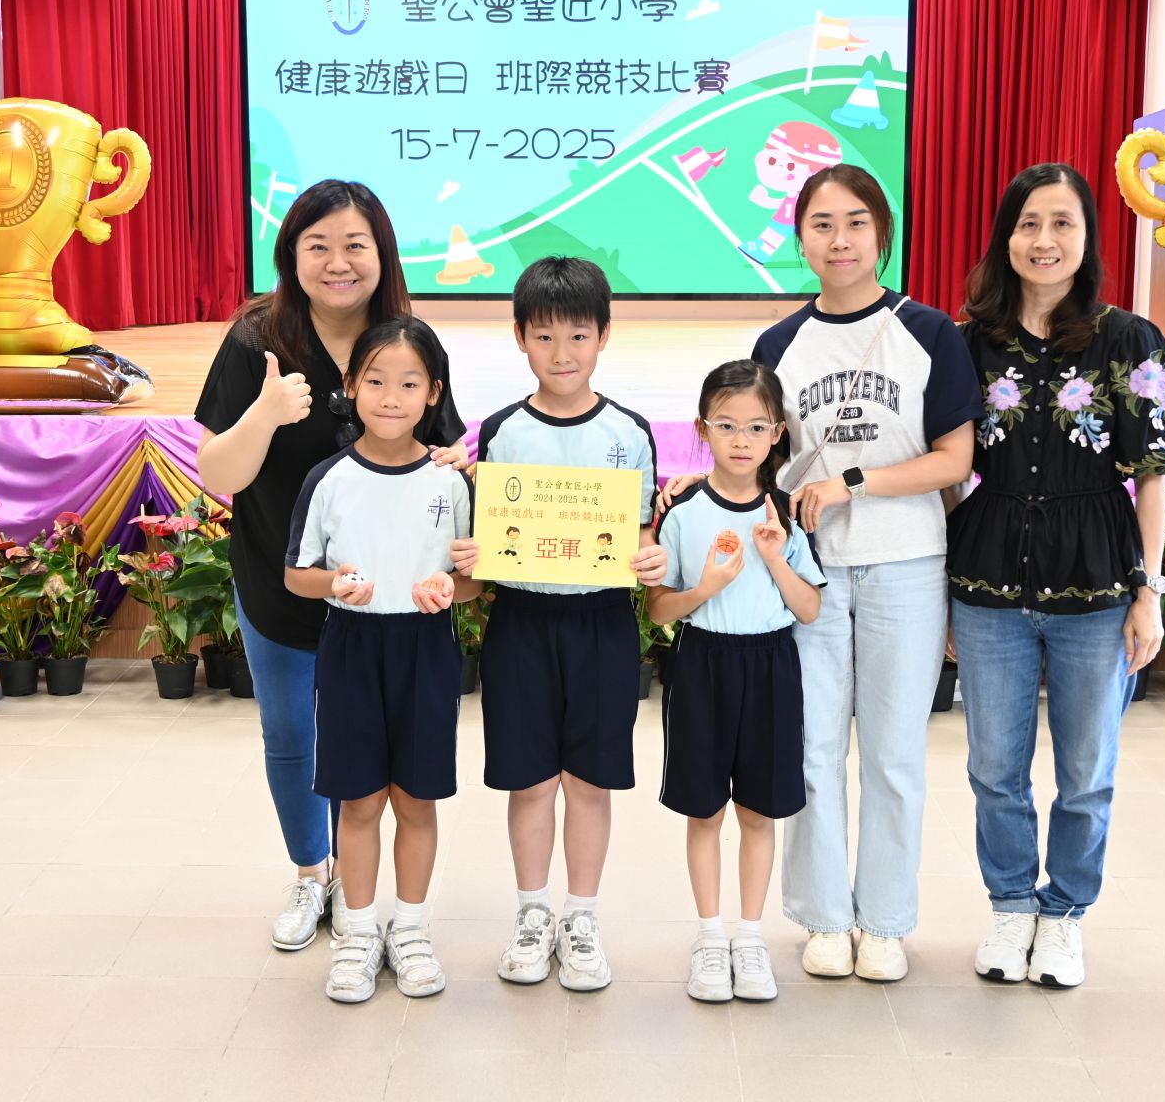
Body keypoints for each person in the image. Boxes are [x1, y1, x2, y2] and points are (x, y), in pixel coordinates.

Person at [669, 163, 980, 980]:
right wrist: (697, 487)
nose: (839, 240)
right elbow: (757, 453)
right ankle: (823, 918)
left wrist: (853, 482)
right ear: (800, 237)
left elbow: (954, 459)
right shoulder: (779, 345)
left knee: (893, 754)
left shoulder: (930, 333)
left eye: (855, 223)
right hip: (806, 573)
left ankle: (886, 921)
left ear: (883, 233)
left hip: (906, 563)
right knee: (811, 748)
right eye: (821, 225)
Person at [194, 180, 464, 954]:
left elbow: (443, 453)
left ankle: (358, 881)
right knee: (290, 736)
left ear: (382, 254)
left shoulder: (407, 339)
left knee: (367, 745)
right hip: (282, 582)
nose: (337, 263)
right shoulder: (255, 340)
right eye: (318, 246)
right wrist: (264, 413)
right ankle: (311, 873)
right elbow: (218, 473)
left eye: (355, 246)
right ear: (291, 255)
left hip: (384, 604)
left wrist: (455, 462)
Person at [950, 163, 1165, 989]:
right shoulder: (969, 342)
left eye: (1062, 223)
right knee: (994, 768)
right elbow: (948, 466)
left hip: (1099, 582)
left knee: (1086, 773)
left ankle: (1064, 915)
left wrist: (1149, 591)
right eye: (1028, 224)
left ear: (1086, 238)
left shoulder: (1130, 340)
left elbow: (1153, 476)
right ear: (1005, 237)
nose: (1044, 241)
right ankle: (1011, 904)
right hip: (988, 580)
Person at [449, 256, 665, 992]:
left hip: (602, 625)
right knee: (532, 781)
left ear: (604, 335)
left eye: (578, 335)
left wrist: (651, 560)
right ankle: (533, 913)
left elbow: (641, 536)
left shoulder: (630, 432)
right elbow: (484, 553)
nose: (562, 353)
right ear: (519, 338)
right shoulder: (501, 432)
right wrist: (471, 559)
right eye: (544, 336)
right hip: (521, 623)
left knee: (590, 781)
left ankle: (582, 918)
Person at [285, 317, 477, 1003]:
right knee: (359, 800)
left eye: (409, 384)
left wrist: (450, 586)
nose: (391, 398)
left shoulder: (449, 480)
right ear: (350, 385)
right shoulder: (329, 478)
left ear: (434, 393)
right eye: (375, 381)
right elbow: (297, 575)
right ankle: (359, 932)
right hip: (352, 649)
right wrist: (334, 583)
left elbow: (473, 577)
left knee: (417, 800)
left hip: (426, 650)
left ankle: (412, 930)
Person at [648, 360, 824, 1003]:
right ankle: (709, 937)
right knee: (704, 810)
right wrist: (705, 588)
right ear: (702, 429)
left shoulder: (786, 512)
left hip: (771, 666)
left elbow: (809, 608)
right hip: (702, 665)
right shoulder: (682, 512)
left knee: (758, 811)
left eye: (756, 426)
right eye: (725, 425)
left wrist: (774, 557)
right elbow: (659, 611)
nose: (741, 440)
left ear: (777, 433)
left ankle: (750, 939)